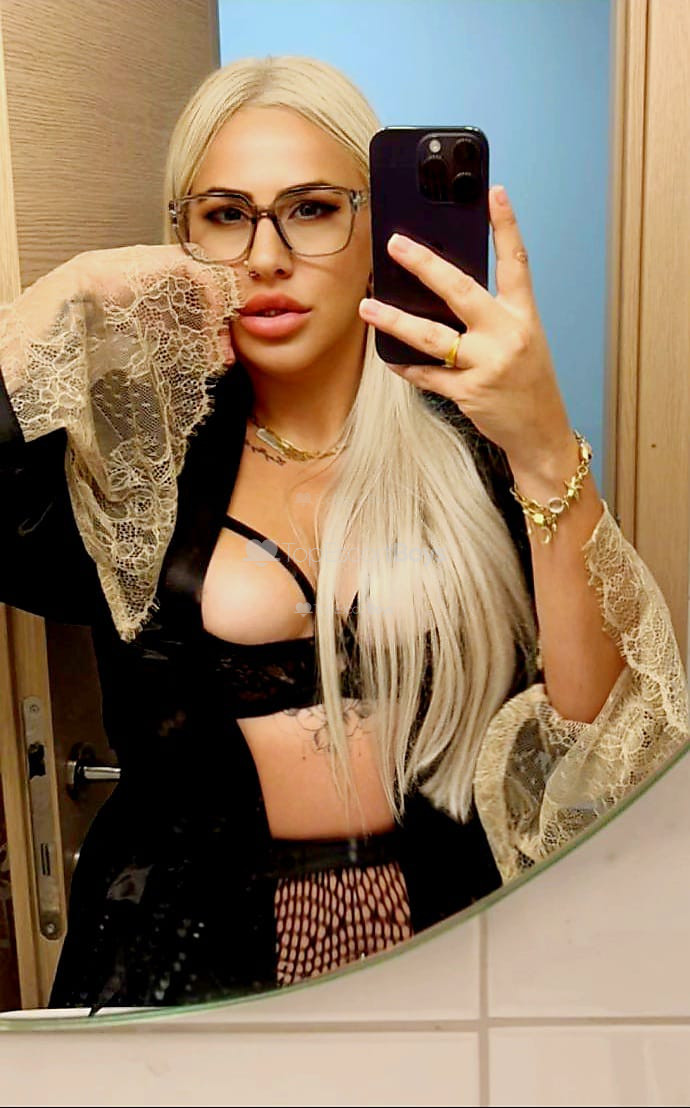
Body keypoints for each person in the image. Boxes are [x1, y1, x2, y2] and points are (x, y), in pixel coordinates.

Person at [0, 56, 686, 1013]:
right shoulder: (137, 463)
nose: (266, 257)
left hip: (450, 962)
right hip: (179, 975)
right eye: (226, 215)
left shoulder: (475, 448)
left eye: (313, 209)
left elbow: (605, 759)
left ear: (380, 229)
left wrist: (541, 444)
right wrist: (64, 302)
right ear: (182, 234)